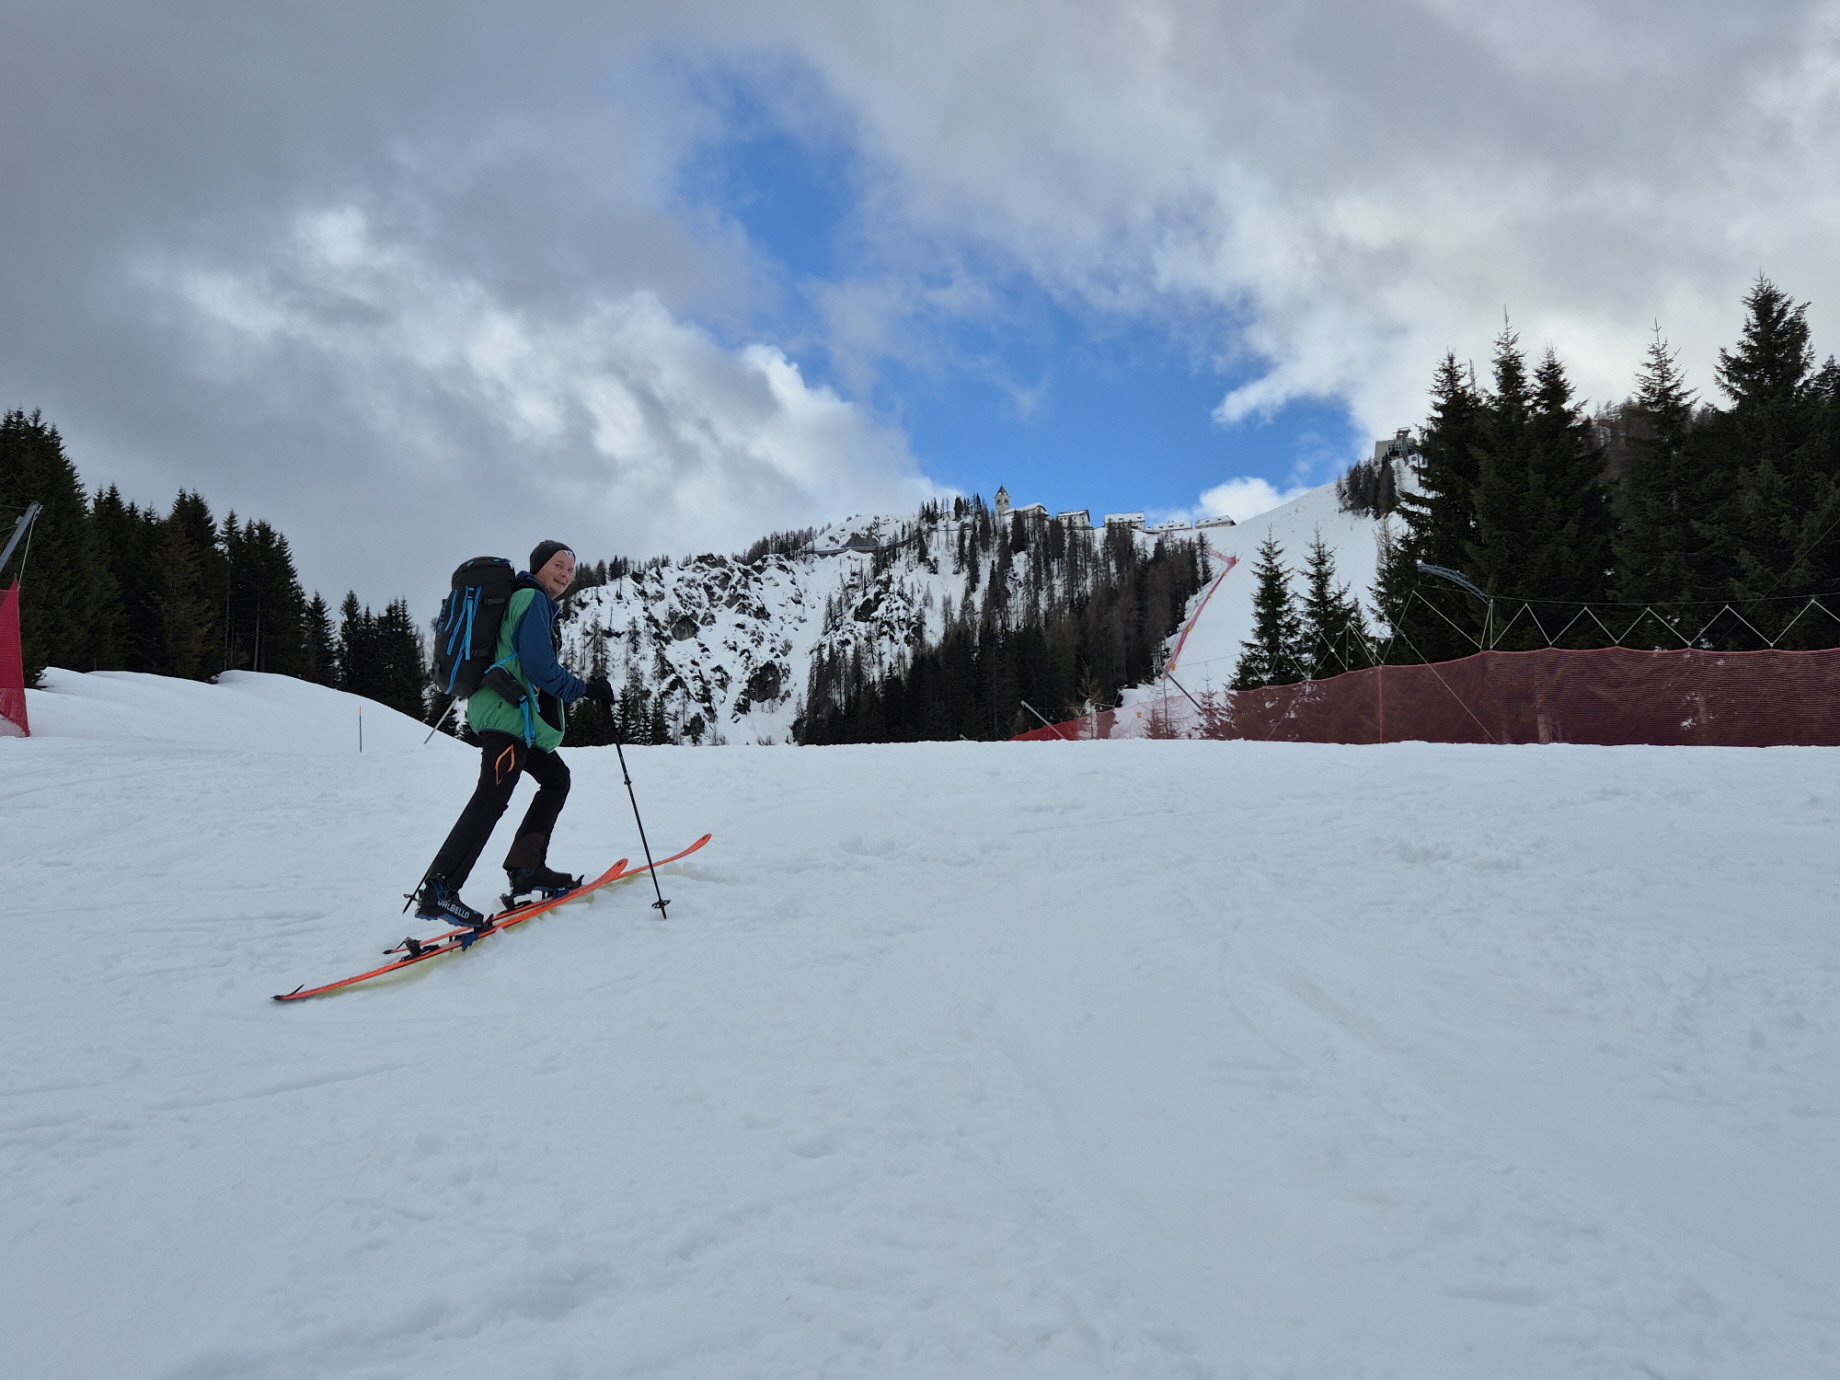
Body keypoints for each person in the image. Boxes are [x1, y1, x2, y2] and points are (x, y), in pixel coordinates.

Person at [415, 540, 616, 928]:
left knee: (556, 779)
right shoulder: (532, 599)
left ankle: (527, 868)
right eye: (558, 565)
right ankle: (440, 889)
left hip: (514, 718)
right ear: (540, 566)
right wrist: (586, 689)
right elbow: (540, 667)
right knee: (491, 798)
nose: (565, 575)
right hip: (504, 715)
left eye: (570, 570)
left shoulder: (528, 600)